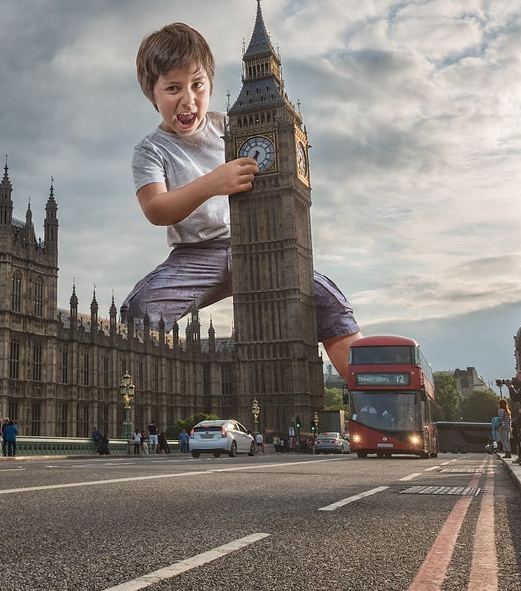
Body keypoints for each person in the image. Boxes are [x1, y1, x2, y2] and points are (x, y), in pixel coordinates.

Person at [119, 22, 362, 377]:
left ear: (211, 85)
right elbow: (156, 209)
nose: (188, 99)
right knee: (139, 311)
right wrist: (213, 183)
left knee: (329, 302)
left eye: (197, 85)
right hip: (197, 256)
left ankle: (373, 397)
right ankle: (131, 402)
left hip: (260, 245)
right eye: (173, 88)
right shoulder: (151, 150)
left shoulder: (231, 126)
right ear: (151, 94)